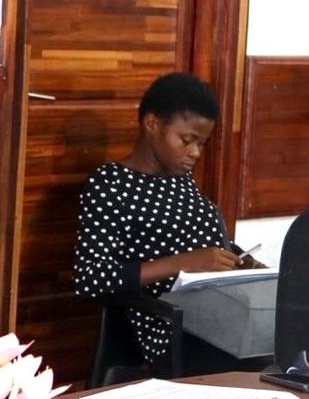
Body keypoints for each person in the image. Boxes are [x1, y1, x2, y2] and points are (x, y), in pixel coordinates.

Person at [74, 72, 257, 368]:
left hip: (218, 321)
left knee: (285, 345)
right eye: (187, 140)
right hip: (168, 328)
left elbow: (189, 238)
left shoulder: (180, 178)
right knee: (259, 363)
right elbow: (91, 277)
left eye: (201, 144)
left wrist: (238, 260)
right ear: (152, 124)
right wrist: (184, 263)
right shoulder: (110, 184)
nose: (195, 153)